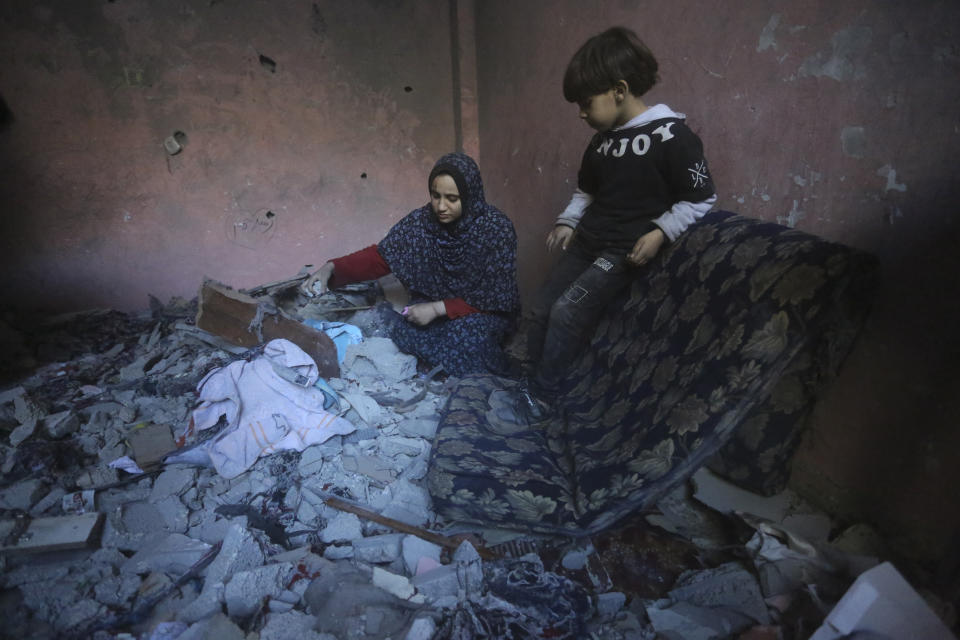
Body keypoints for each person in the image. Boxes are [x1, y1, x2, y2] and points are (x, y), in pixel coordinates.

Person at [512, 26, 718, 422]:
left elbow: (701, 196)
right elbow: (587, 190)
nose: (581, 113)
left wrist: (660, 232)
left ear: (619, 91)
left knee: (567, 312)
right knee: (540, 308)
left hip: (620, 253)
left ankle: (544, 396)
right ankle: (529, 378)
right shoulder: (601, 141)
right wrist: (569, 221)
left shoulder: (672, 136)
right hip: (588, 241)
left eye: (586, 103)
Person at [299, 152, 520, 378]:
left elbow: (495, 298)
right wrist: (331, 268)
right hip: (429, 309)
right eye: (436, 196)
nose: (441, 206)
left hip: (481, 312)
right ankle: (439, 359)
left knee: (466, 338)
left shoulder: (496, 230)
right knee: (405, 329)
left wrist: (438, 308)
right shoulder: (421, 223)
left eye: (452, 199)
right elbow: (381, 257)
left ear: (470, 196)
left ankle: (444, 360)